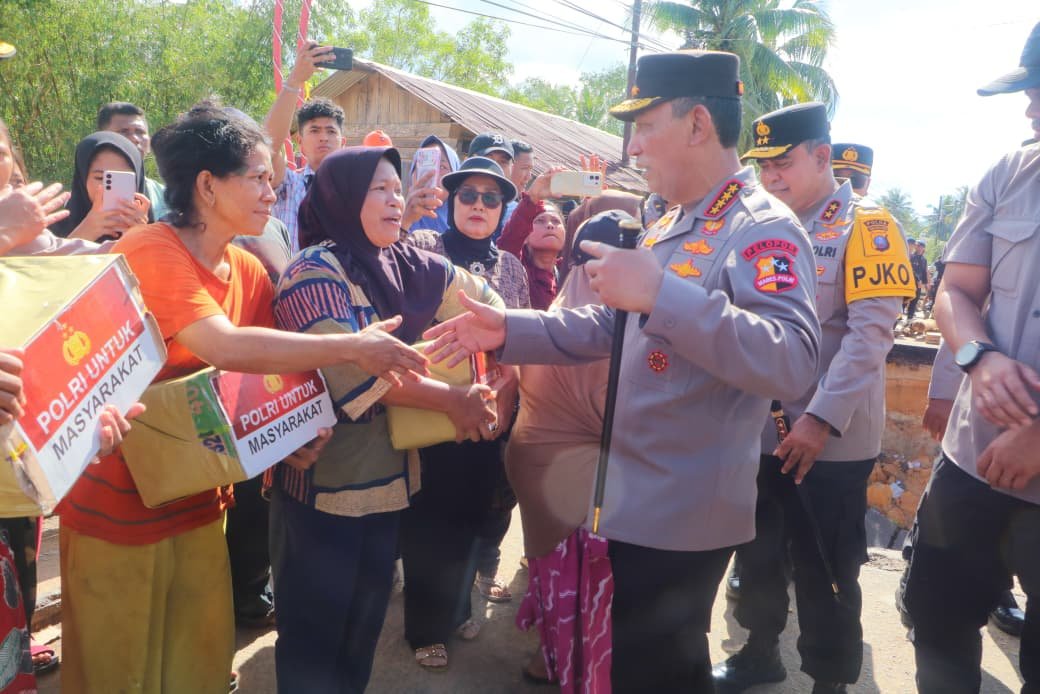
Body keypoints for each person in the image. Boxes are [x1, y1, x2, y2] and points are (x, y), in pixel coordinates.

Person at [423, 50, 822, 693]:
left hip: (683, 513)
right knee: (632, 667)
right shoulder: (672, 222)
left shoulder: (759, 229)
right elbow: (613, 326)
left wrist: (663, 295)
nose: (633, 147)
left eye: (645, 127)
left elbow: (793, 360)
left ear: (697, 124)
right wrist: (511, 330)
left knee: (659, 672)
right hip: (629, 497)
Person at [54, 104, 426, 694]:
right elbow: (223, 345)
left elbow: (268, 376)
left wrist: (296, 434)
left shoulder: (247, 270)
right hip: (117, 504)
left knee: (195, 666)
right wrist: (352, 347)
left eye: (272, 178)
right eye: (257, 177)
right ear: (207, 186)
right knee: (116, 671)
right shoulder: (153, 248)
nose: (271, 191)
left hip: (200, 500)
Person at [269, 145, 504, 692]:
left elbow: (488, 305)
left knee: (362, 630)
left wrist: (488, 346)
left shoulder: (408, 263)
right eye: (379, 189)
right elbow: (356, 370)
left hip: (391, 484)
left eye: (398, 189)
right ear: (342, 197)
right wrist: (454, 400)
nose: (396, 200)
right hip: (323, 486)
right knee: (314, 635)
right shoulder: (312, 269)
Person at [714, 102, 914, 694]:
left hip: (830, 440)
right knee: (757, 553)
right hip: (760, 428)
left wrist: (820, 419)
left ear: (823, 157)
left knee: (826, 567)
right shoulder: (758, 224)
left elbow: (869, 336)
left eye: (783, 163)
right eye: (763, 166)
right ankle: (759, 653)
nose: (771, 177)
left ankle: (829, 680)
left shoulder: (868, 226)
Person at [905, 23, 1040, 692]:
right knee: (937, 619)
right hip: (972, 461)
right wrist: (978, 357)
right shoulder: (1008, 173)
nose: (1031, 107)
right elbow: (956, 290)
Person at [399, 156, 527, 668]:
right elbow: (386, 267)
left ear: (502, 209)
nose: (478, 205)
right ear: (451, 203)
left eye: (490, 198)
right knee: (431, 517)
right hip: (435, 405)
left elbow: (521, 336)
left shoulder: (511, 267)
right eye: (467, 196)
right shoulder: (425, 247)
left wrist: (507, 399)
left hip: (491, 409)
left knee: (475, 512)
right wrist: (406, 217)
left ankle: (456, 610)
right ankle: (424, 629)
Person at [510, 210, 633, 691]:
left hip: (535, 471)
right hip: (585, 488)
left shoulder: (557, 316)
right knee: (587, 589)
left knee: (554, 578)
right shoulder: (614, 327)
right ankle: (579, 670)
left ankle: (549, 659)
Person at [264, 41, 346, 252]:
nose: (323, 138)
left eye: (331, 131)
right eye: (314, 130)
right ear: (300, 143)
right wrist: (295, 81)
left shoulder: (354, 191)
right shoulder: (288, 185)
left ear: (343, 142)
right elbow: (267, 147)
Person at [49, 131, 152, 240]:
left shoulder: (159, 231)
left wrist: (140, 238)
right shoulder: (51, 228)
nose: (109, 189)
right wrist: (83, 233)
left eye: (122, 179)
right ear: (83, 179)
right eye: (100, 178)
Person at [96, 101, 171, 219]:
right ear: (102, 138)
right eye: (123, 131)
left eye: (140, 132)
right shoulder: (83, 196)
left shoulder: (165, 198)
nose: (135, 139)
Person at [402, 135, 459, 234]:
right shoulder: (392, 219)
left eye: (442, 167)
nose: (432, 173)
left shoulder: (466, 225)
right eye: (424, 166)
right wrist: (404, 221)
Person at [907, 238, 930, 320]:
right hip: (909, 282)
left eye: (921, 246)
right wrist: (917, 280)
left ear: (923, 248)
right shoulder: (911, 256)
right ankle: (898, 318)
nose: (919, 248)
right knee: (905, 300)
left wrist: (925, 283)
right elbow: (910, 269)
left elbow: (924, 272)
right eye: (917, 246)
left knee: (914, 301)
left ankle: (909, 319)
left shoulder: (924, 260)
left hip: (919, 284)